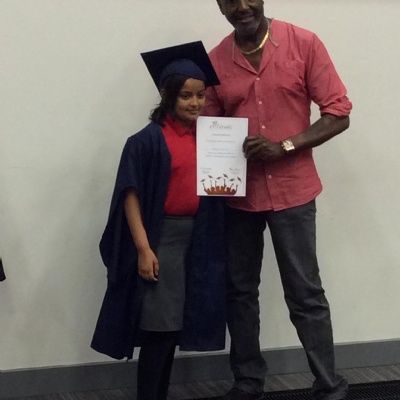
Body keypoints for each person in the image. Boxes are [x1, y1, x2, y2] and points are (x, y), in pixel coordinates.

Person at [203, 1, 352, 400]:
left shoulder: (303, 43)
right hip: (237, 197)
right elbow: (210, 129)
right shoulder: (215, 60)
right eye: (230, 0)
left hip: (293, 192)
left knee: (305, 293)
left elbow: (338, 113)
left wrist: (284, 146)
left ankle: (329, 385)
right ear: (220, 6)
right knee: (239, 293)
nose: (242, 6)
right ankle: (248, 383)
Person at [91, 41, 226, 400]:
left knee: (174, 327)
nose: (195, 103)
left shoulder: (211, 139)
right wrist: (143, 248)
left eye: (201, 95)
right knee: (159, 328)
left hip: (197, 242)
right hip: (161, 240)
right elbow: (130, 196)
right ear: (168, 96)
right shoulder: (146, 141)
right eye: (186, 96)